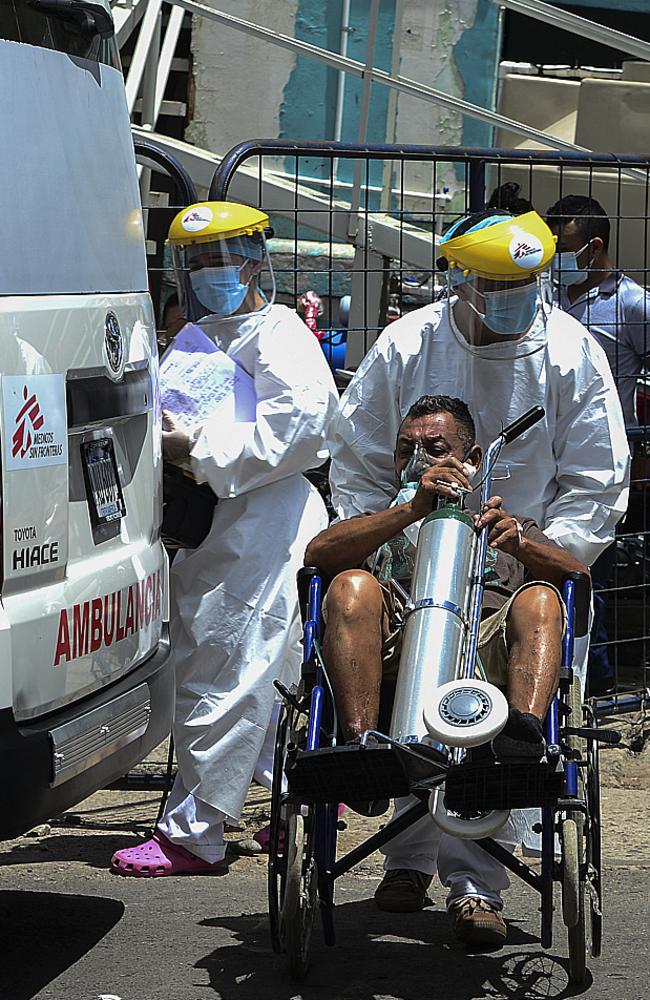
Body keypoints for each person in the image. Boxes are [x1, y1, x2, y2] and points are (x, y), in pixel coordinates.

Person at [327, 208, 629, 942]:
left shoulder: (570, 354)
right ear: (463, 280)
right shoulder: (410, 343)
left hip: (509, 556)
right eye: (493, 283)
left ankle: (475, 883)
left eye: (522, 283)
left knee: (493, 691)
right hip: (408, 556)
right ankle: (405, 858)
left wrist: (534, 546)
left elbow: (595, 476)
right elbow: (358, 453)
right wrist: (389, 527)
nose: (509, 296)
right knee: (406, 669)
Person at [111, 201, 338, 876]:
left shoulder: (280, 334)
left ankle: (196, 831)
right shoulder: (203, 336)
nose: (213, 273)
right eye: (199, 261)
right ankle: (289, 800)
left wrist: (199, 447)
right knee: (256, 670)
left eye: (224, 258)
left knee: (229, 670)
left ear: (256, 260)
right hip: (218, 530)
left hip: (260, 529)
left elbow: (306, 428)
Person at [307, 394, 587, 942]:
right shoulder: (384, 519)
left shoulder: (503, 519)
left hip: (480, 649)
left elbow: (577, 574)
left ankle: (477, 884)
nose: (420, 461)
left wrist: (523, 546)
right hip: (395, 646)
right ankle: (367, 758)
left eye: (435, 449)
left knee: (542, 598)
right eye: (406, 450)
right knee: (349, 584)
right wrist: (408, 512)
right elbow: (318, 554)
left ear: (473, 458)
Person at [546, 194, 650, 693]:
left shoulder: (632, 303)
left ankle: (597, 683)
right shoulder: (549, 297)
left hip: (606, 455)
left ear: (594, 246)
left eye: (564, 249)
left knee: (595, 572)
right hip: (548, 453)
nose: (557, 260)